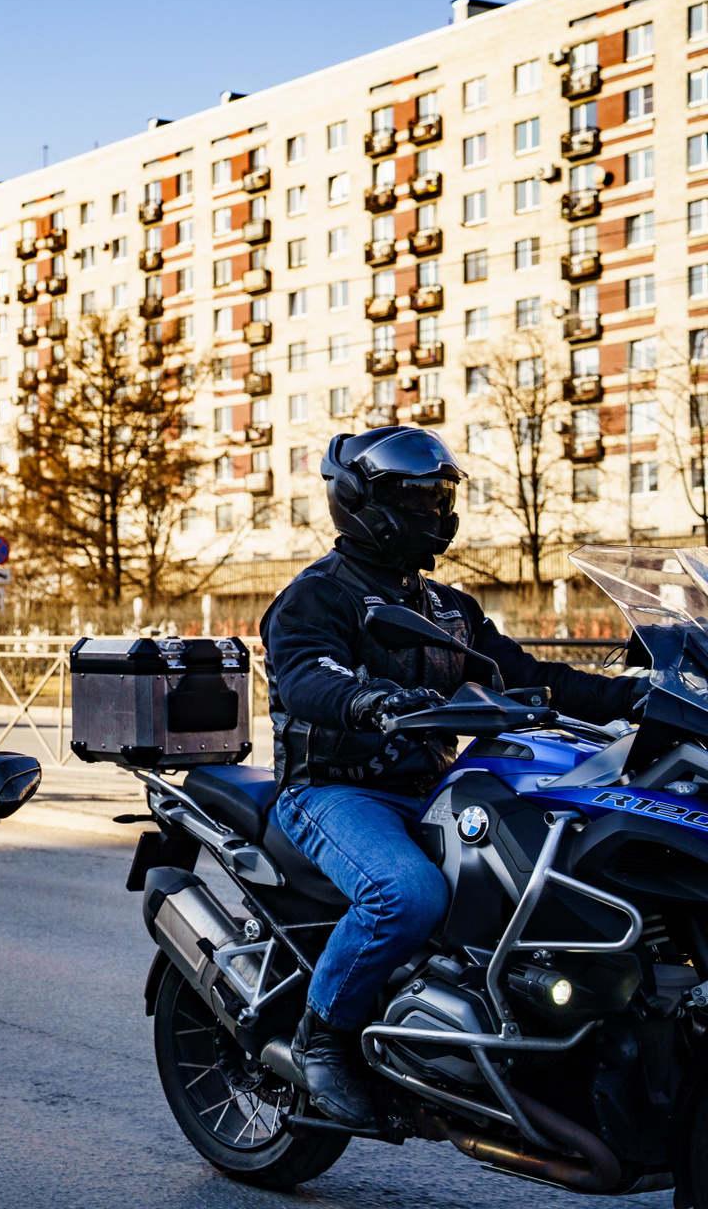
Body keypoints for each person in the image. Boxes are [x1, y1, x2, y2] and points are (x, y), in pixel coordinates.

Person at [261, 426, 646, 1129]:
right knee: (406, 895)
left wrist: (638, 695)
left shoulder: (447, 608)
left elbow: (529, 676)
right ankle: (324, 1037)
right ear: (364, 504)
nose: (434, 512)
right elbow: (308, 676)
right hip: (335, 790)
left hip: (435, 789)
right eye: (417, 498)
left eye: (440, 498)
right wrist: (369, 700)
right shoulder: (316, 597)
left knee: (545, 875)